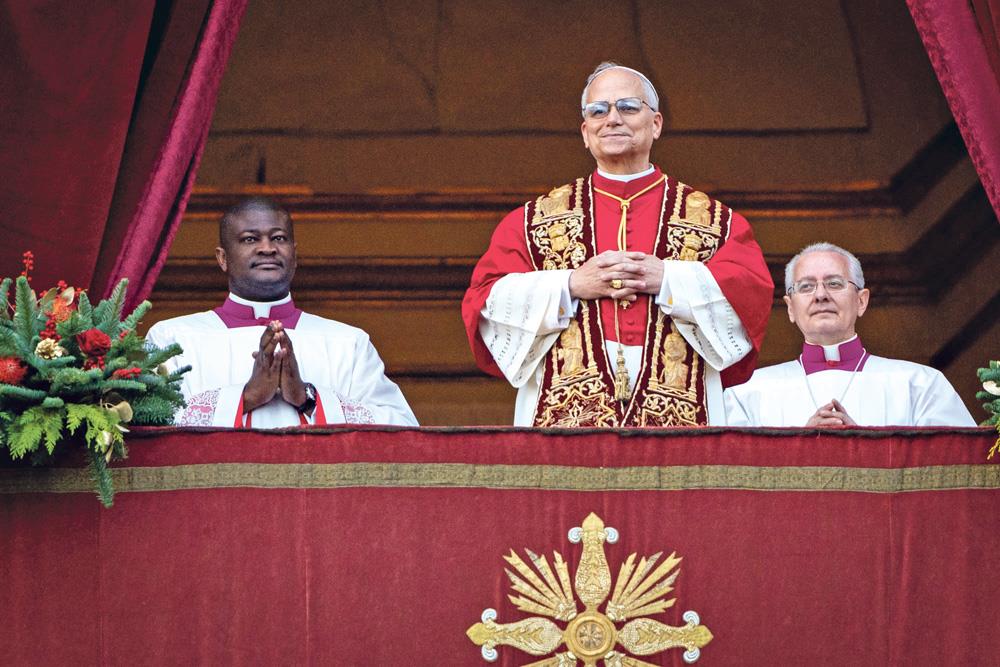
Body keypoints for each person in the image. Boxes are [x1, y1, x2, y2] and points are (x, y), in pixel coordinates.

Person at [462, 62, 773, 427]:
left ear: (655, 124)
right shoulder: (531, 221)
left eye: (627, 107)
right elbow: (484, 301)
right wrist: (569, 285)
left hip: (682, 406)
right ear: (585, 131)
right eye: (598, 110)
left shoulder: (714, 220)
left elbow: (751, 294)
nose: (612, 119)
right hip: (565, 410)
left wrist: (669, 280)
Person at [146, 197, 417, 427]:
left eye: (278, 238)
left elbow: (400, 429)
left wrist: (306, 397)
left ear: (295, 255)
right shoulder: (172, 339)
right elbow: (145, 424)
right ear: (223, 258)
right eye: (250, 238)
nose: (267, 248)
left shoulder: (348, 343)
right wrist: (245, 397)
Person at [724, 242, 976, 427]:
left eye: (834, 283)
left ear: (861, 301)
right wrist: (799, 449)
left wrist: (864, 449)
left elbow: (952, 477)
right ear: (790, 308)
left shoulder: (921, 384)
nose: (821, 295)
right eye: (806, 286)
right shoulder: (747, 392)